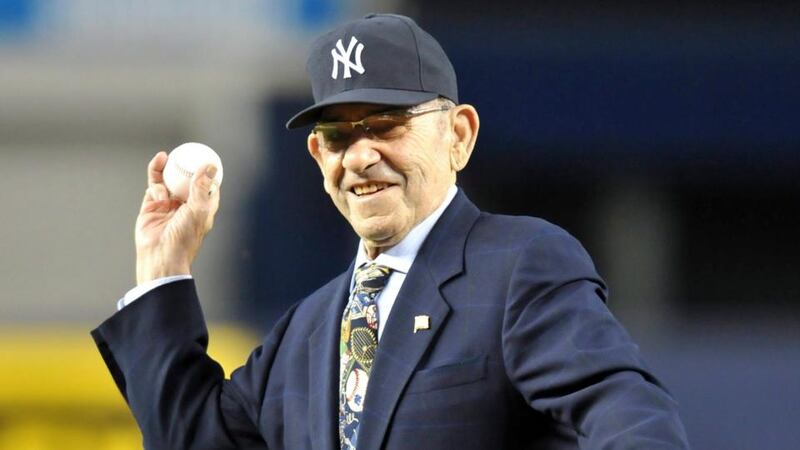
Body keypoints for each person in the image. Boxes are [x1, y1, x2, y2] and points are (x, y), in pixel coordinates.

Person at [92, 13, 690, 450]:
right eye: (338, 135)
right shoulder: (307, 330)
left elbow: (629, 417)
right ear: (316, 155)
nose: (360, 155)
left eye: (386, 123)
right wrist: (163, 269)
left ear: (458, 135)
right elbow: (193, 440)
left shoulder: (520, 267)